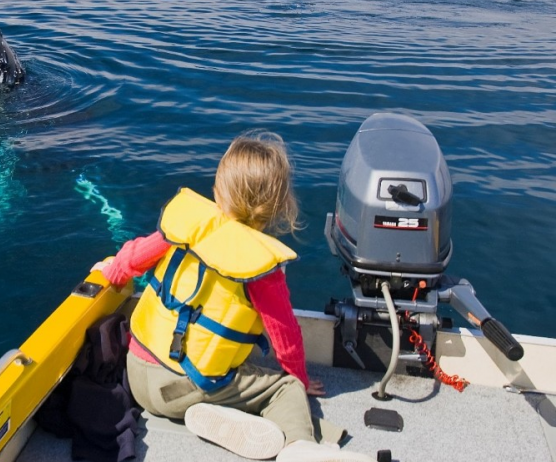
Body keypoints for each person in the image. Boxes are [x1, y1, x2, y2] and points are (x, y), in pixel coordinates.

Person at [96, 131, 375, 462]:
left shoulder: (186, 228)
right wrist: (298, 379)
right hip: (184, 388)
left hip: (138, 372)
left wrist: (111, 271)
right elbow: (285, 338)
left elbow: (133, 258)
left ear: (217, 189)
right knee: (285, 390)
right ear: (279, 207)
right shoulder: (261, 270)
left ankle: (218, 412)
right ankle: (299, 445)